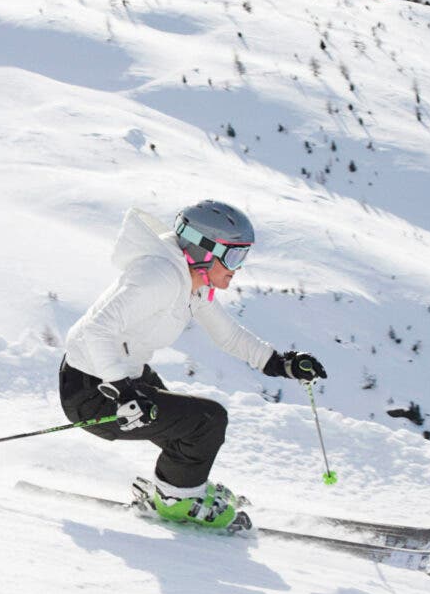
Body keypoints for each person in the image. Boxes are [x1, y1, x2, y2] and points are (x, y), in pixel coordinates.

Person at [57, 198, 328, 529]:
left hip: (121, 376)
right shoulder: (160, 277)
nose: (238, 266)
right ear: (203, 250)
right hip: (93, 392)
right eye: (234, 255)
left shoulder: (190, 284)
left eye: (243, 255)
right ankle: (175, 500)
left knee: (185, 428)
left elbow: (228, 335)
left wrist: (281, 363)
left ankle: (180, 487)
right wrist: (123, 391)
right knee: (207, 421)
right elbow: (96, 329)